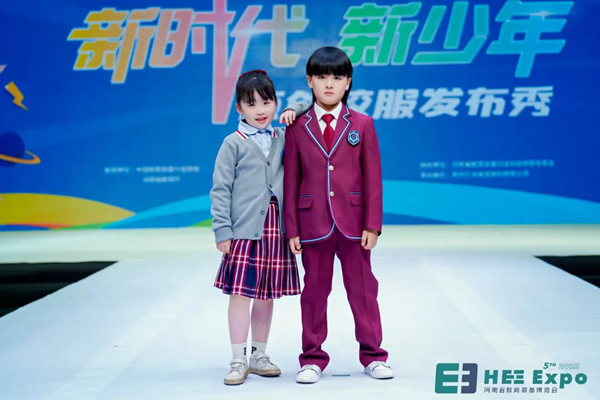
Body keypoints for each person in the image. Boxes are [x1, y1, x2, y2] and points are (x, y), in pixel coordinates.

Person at [283, 47, 393, 384]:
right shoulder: (297, 126)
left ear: (348, 82)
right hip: (312, 224)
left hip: (354, 225)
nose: (329, 84)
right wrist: (292, 229)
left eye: (337, 77)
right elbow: (291, 180)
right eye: (321, 77)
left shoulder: (362, 124)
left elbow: (373, 178)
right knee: (314, 294)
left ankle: (374, 355)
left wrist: (372, 224)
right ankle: (312, 358)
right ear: (309, 81)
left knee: (363, 291)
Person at [210, 69, 308, 385]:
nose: (261, 110)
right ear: (239, 108)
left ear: (276, 104)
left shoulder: (282, 136)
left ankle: (258, 354)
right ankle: (238, 358)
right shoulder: (232, 143)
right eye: (251, 104)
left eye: (267, 102)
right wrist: (222, 229)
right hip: (244, 232)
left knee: (266, 296)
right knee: (240, 295)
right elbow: (220, 189)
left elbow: (311, 106)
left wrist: (294, 110)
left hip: (275, 232)